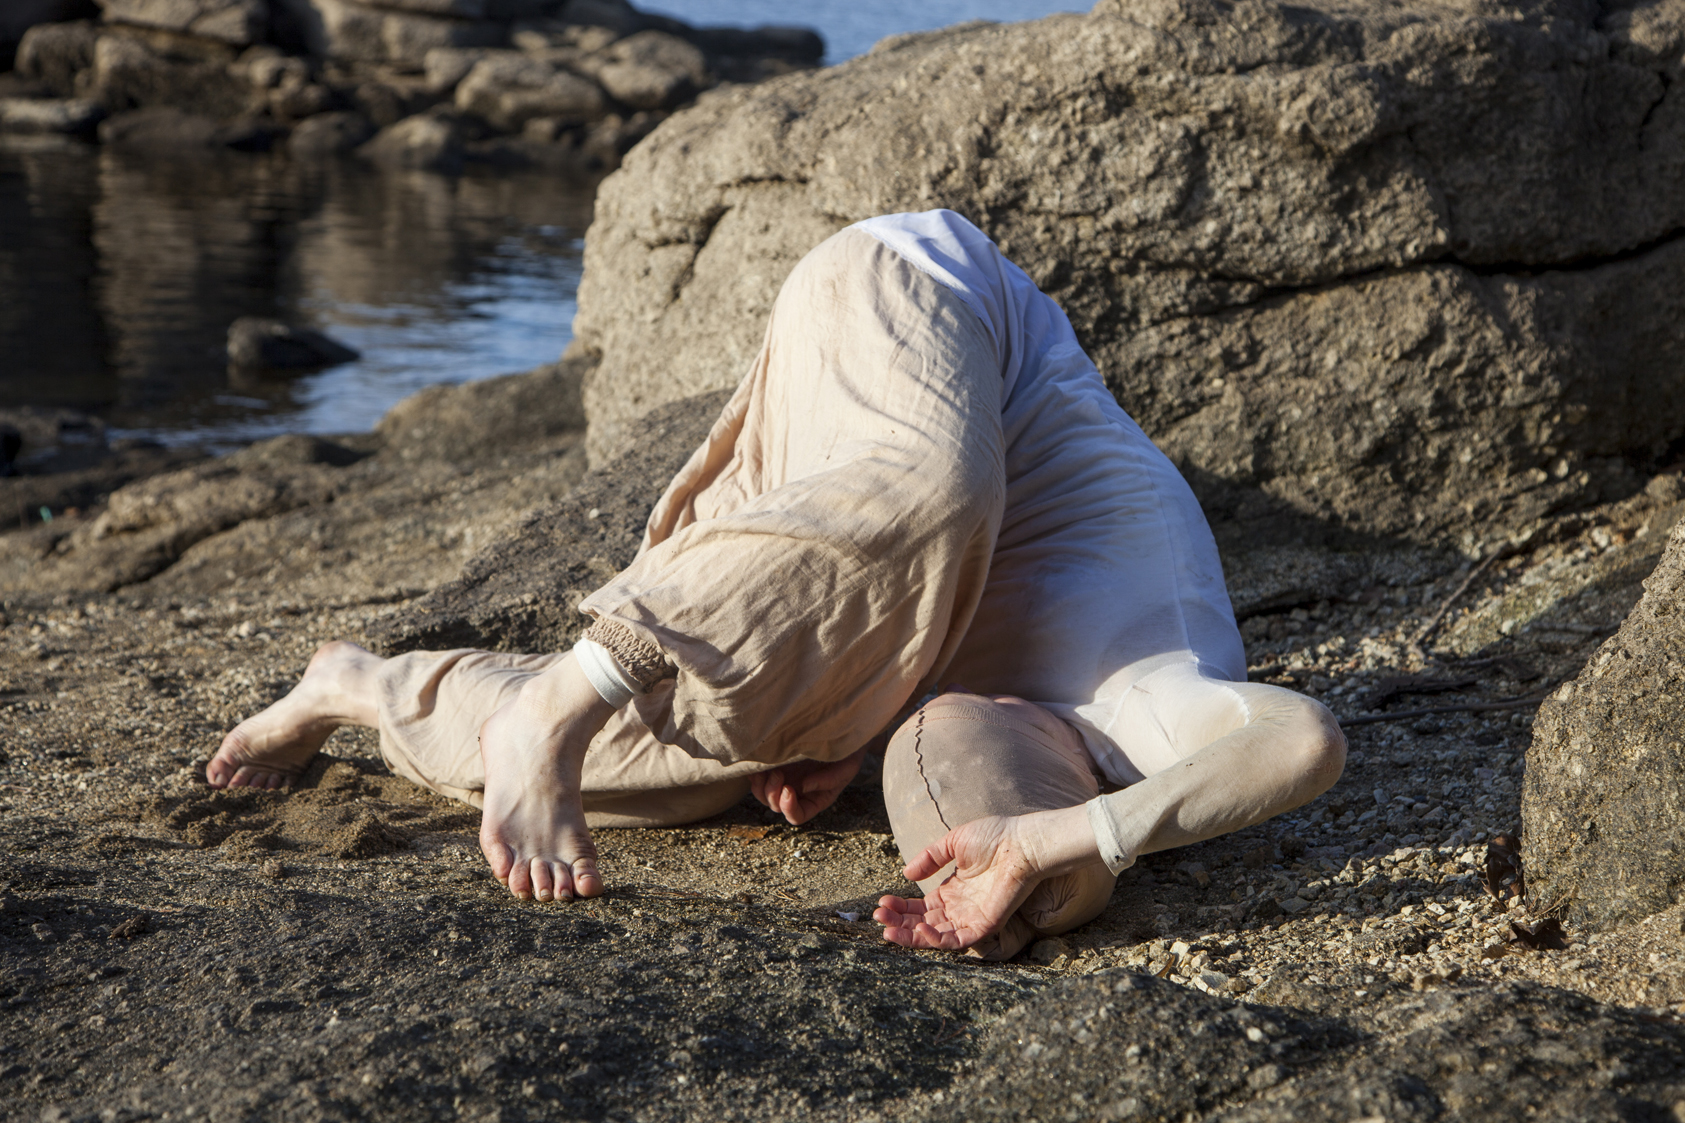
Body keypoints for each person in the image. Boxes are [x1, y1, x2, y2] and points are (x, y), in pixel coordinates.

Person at [207, 211, 1345, 959]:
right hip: (930, 312)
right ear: (1069, 778)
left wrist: (864, 714)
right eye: (1031, 818)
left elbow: (953, 670)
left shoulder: (969, 722)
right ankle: (559, 701)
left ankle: (359, 685)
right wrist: (1086, 835)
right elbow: (1299, 741)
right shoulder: (1152, 705)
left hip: (851, 546)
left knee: (658, 773)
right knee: (930, 489)